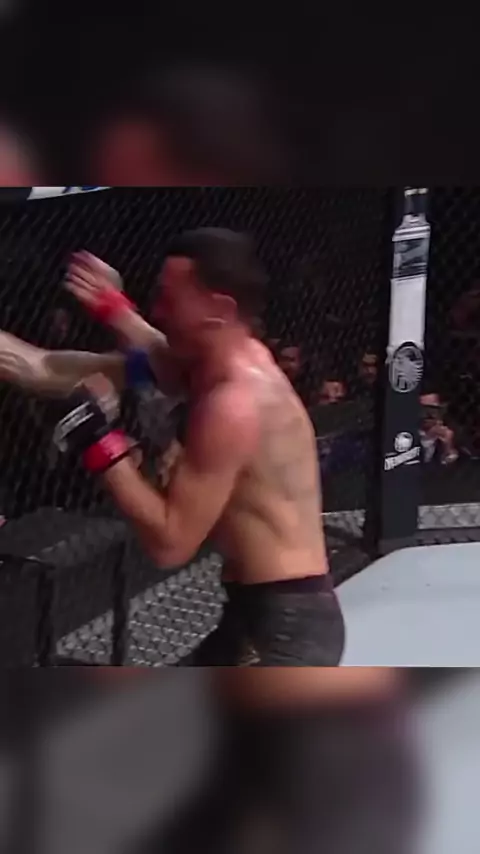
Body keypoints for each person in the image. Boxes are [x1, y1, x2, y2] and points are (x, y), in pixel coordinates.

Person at [0, 231, 344, 666]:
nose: (158, 310)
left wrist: (99, 444)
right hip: (256, 616)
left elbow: (171, 543)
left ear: (219, 310)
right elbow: (44, 368)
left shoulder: (234, 404)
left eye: (169, 298)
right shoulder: (210, 359)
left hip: (288, 636)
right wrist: (114, 308)